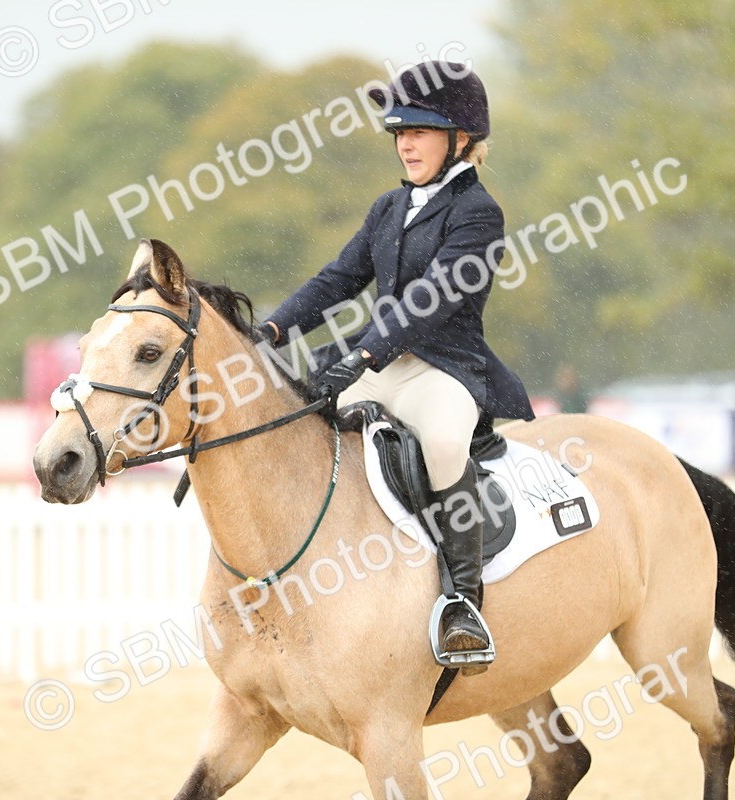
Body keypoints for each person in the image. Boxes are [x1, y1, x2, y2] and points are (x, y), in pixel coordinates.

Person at [260, 61, 534, 672]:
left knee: (440, 445)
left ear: (460, 139)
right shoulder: (389, 207)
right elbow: (340, 279)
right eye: (399, 133)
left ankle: (464, 602)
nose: (405, 143)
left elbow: (429, 300)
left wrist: (361, 356)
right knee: (298, 418)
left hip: (444, 368)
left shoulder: (478, 213)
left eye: (420, 131)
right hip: (381, 359)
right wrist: (273, 327)